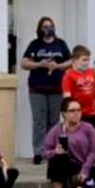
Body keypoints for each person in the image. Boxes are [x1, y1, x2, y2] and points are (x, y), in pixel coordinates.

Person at [21, 17, 71, 165]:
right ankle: (38, 152)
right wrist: (39, 64)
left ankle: (52, 151)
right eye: (45, 26)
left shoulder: (61, 44)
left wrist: (57, 66)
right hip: (37, 88)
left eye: (50, 26)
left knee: (54, 121)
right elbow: (24, 63)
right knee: (39, 121)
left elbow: (70, 61)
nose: (48, 29)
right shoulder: (35, 44)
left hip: (56, 87)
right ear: (40, 29)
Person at [42, 98, 95, 188]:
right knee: (56, 159)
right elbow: (44, 152)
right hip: (67, 165)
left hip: (84, 164)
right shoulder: (57, 130)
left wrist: (85, 169)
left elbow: (94, 149)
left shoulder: (88, 128)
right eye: (72, 111)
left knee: (93, 175)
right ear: (64, 114)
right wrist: (55, 152)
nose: (76, 113)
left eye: (78, 110)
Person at [62, 45, 95, 141]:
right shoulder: (69, 76)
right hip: (78, 114)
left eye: (88, 60)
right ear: (75, 60)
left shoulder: (92, 72)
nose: (87, 63)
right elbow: (67, 97)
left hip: (92, 112)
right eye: (84, 60)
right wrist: (68, 114)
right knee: (80, 139)